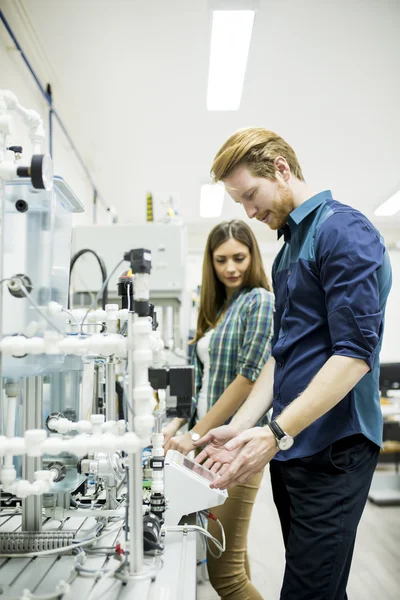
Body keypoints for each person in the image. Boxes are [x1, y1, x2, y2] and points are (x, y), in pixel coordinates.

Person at [195, 128, 392, 600]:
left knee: (307, 592)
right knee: (318, 586)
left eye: (250, 195)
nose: (248, 212)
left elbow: (353, 357)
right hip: (295, 448)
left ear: (281, 168)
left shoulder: (342, 230)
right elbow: (281, 355)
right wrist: (243, 427)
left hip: (334, 448)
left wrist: (276, 432)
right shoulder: (289, 248)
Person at [163, 219, 274, 600]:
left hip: (234, 447)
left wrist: (193, 436)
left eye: (239, 258)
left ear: (252, 257)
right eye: (221, 259)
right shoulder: (218, 309)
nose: (231, 268)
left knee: (225, 577)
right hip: (207, 445)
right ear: (210, 262)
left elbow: (248, 379)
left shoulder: (260, 301)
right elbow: (198, 381)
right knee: (235, 561)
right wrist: (175, 426)